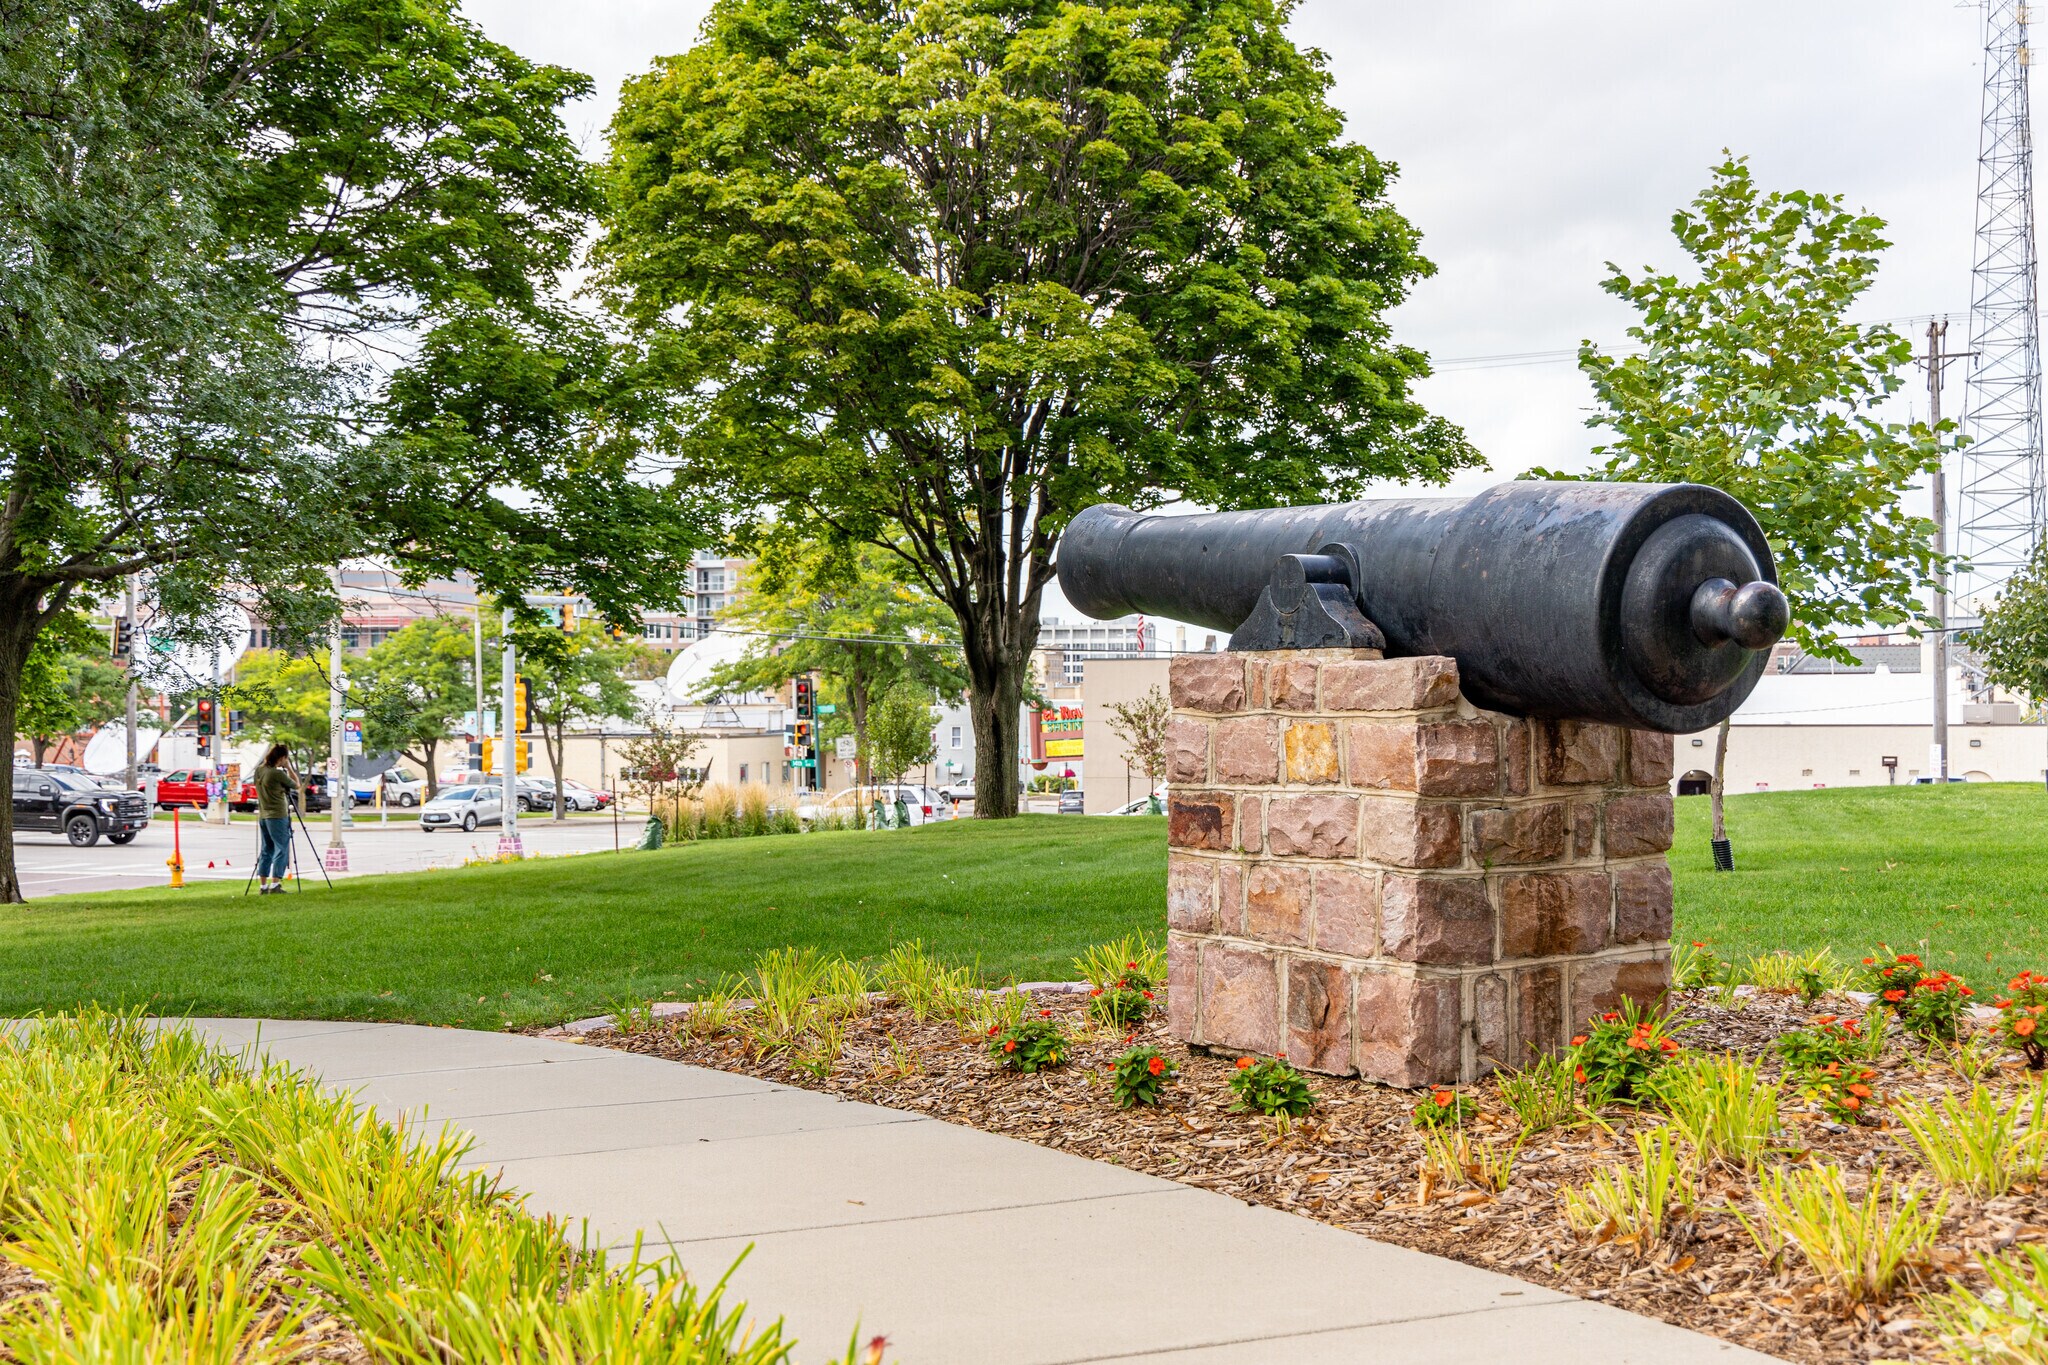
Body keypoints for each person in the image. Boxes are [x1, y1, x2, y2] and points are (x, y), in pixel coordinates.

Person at [252, 742, 298, 894]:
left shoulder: (259, 771)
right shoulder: (277, 773)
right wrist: (289, 767)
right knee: (281, 848)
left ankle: (263, 886)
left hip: (264, 815)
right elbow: (297, 785)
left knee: (267, 849)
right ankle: (275, 884)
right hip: (277, 815)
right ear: (282, 758)